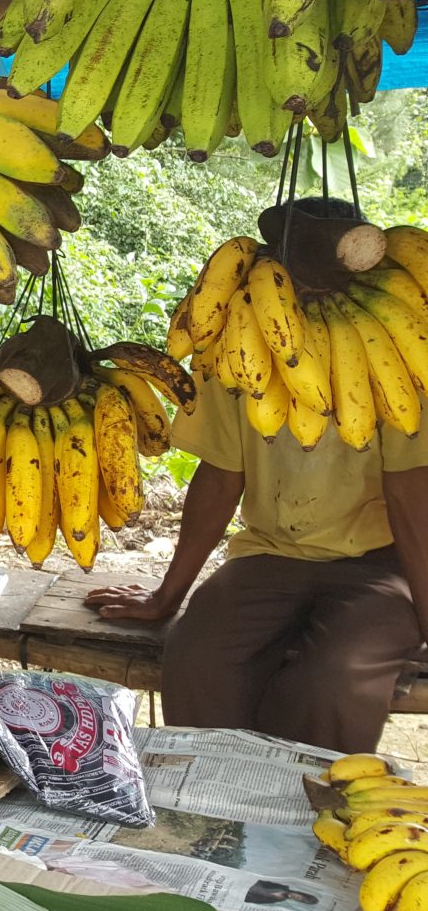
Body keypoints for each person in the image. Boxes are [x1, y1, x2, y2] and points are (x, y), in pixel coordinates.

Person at [85, 200, 428, 755]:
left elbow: (410, 497)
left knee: (336, 679)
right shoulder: (239, 346)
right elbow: (220, 475)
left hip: (380, 564)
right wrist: (168, 595)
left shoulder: (389, 349)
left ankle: (310, 818)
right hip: (268, 555)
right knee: (198, 658)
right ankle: (217, 808)